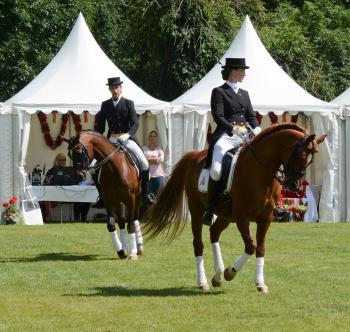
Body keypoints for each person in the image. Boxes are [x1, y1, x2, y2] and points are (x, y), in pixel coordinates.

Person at [203, 58, 261, 226]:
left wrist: (257, 129)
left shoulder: (245, 93)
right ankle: (211, 208)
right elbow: (218, 116)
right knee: (215, 170)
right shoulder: (219, 92)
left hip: (244, 136)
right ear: (233, 71)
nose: (244, 73)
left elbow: (251, 116)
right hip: (226, 136)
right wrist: (232, 128)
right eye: (242, 70)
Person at [95, 77, 154, 210]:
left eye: (117, 87)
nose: (115, 90)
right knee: (95, 165)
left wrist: (127, 134)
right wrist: (99, 140)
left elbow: (135, 123)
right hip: (111, 140)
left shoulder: (128, 103)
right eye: (112, 87)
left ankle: (146, 193)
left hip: (127, 139)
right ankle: (102, 196)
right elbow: (100, 127)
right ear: (109, 89)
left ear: (121, 88)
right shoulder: (105, 105)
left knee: (144, 163)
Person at [143, 130, 165, 196]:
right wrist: (155, 160)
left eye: (154, 136)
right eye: (151, 136)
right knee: (148, 197)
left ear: (156, 138)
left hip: (159, 177)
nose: (152, 138)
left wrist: (149, 159)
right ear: (148, 138)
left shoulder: (159, 149)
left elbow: (161, 159)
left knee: (159, 197)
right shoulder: (144, 149)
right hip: (148, 176)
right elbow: (143, 160)